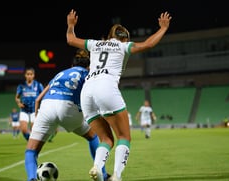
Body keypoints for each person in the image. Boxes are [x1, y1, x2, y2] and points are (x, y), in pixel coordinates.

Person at [66, 9, 171, 181]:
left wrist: (71, 25)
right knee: (124, 137)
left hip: (87, 91)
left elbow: (70, 39)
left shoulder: (95, 44)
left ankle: (97, 166)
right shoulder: (123, 46)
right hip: (106, 87)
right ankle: (116, 176)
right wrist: (163, 29)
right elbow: (148, 44)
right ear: (125, 38)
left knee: (106, 138)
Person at [24, 49, 110, 181]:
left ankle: (31, 178)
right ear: (88, 66)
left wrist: (37, 118)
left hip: (47, 106)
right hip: (69, 108)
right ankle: (103, 175)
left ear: (72, 65)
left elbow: (37, 99)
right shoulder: (88, 74)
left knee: (31, 150)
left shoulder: (60, 73)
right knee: (93, 137)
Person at [15, 67, 44, 141]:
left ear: (33, 75)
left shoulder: (38, 85)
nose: (29, 76)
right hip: (24, 110)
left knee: (34, 130)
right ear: (25, 75)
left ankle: (31, 144)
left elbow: (44, 95)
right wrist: (19, 103)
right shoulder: (21, 86)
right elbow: (17, 97)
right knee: (24, 130)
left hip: (35, 110)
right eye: (28, 74)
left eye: (31, 74)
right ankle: (29, 141)